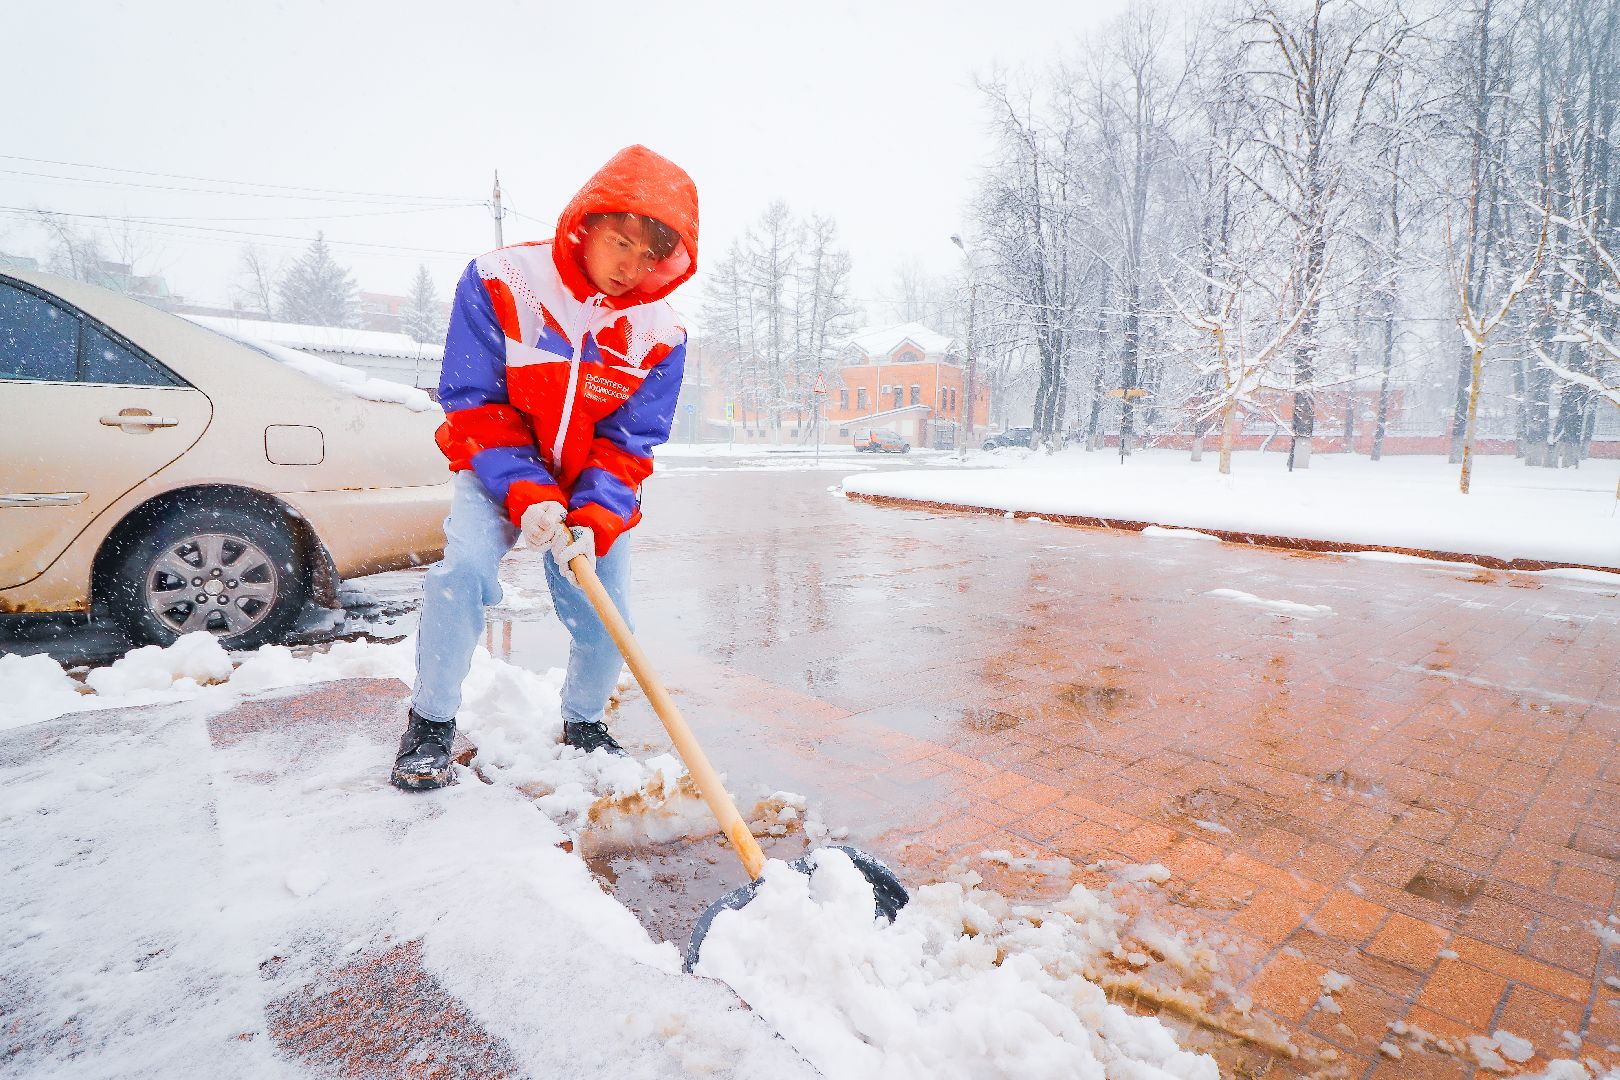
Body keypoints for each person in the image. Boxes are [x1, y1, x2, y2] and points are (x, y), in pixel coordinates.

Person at [390, 145, 699, 791]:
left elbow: (630, 443)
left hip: (590, 481)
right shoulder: (504, 281)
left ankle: (585, 722)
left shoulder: (660, 333)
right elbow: (475, 400)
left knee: (607, 613)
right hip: (495, 464)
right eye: (620, 242)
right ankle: (431, 723)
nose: (631, 267)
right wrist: (527, 490)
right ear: (586, 225)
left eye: (649, 257)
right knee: (462, 572)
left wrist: (594, 516)